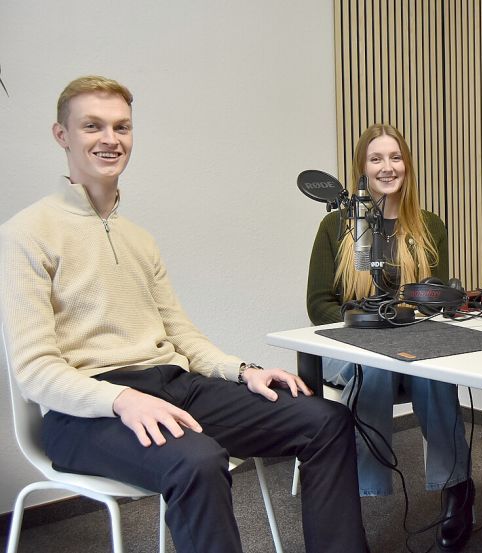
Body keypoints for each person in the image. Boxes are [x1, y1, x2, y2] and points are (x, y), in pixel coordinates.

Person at [0, 76, 368, 553]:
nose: (110, 139)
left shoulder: (139, 238)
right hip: (86, 413)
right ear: (61, 135)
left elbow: (180, 334)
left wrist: (243, 371)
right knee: (196, 460)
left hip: (174, 386)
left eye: (122, 127)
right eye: (93, 126)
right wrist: (122, 401)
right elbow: (34, 371)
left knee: (325, 420)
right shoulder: (26, 233)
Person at [307, 124, 474, 552]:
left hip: (411, 341)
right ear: (361, 169)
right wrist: (362, 331)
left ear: (407, 165)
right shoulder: (335, 225)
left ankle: (456, 488)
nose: (388, 167)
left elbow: (435, 297)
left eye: (395, 157)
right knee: (374, 370)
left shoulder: (429, 225)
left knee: (434, 372)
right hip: (350, 347)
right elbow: (319, 304)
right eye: (376, 159)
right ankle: (361, 498)